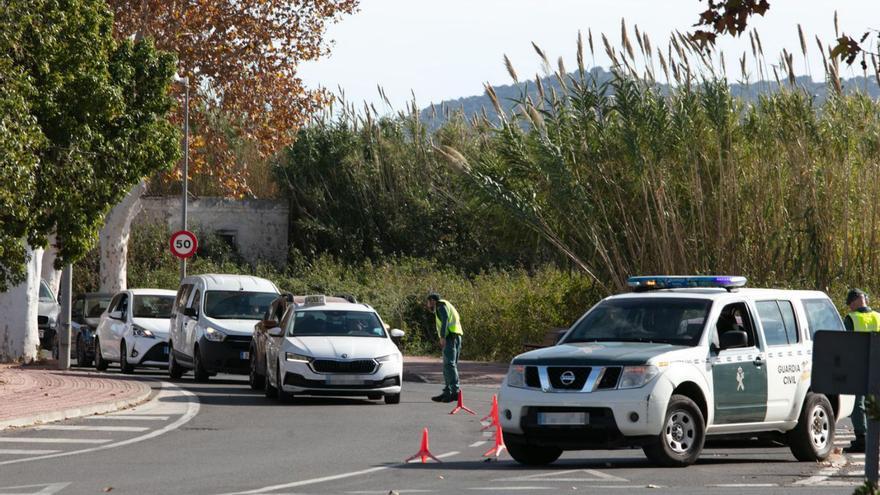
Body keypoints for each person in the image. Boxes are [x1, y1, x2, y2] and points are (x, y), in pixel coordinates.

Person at [844, 288, 880, 453]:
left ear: (853, 302)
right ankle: (874, 438)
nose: (849, 308)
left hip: (859, 365)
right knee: (873, 400)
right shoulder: (878, 317)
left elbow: (845, 343)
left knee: (858, 403)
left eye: (849, 304)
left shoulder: (851, 319)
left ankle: (862, 439)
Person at [426, 293, 463, 403]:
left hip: (450, 337)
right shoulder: (447, 304)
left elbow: (445, 319)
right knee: (450, 366)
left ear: (432, 300)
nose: (428, 305)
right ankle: (447, 392)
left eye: (428, 302)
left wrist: (442, 336)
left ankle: (455, 392)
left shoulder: (440, 306)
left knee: (449, 365)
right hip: (456, 336)